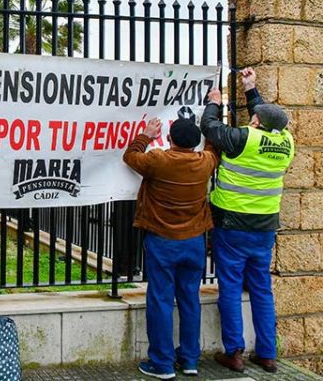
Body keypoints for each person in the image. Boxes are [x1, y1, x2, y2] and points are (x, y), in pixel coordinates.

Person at [201, 68, 294, 374]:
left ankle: (234, 352)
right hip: (265, 227)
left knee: (229, 285)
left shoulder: (243, 139)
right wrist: (250, 88)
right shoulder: (286, 144)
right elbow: (266, 117)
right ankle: (267, 354)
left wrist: (214, 101)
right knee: (262, 289)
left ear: (255, 122)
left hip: (232, 225)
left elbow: (209, 127)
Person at [123, 117, 219, 380]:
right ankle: (189, 360)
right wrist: (210, 120)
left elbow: (130, 156)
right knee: (190, 299)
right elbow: (214, 147)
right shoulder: (206, 162)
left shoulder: (158, 160)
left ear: (169, 139)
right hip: (194, 242)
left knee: (161, 300)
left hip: (162, 241)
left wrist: (145, 135)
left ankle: (162, 364)